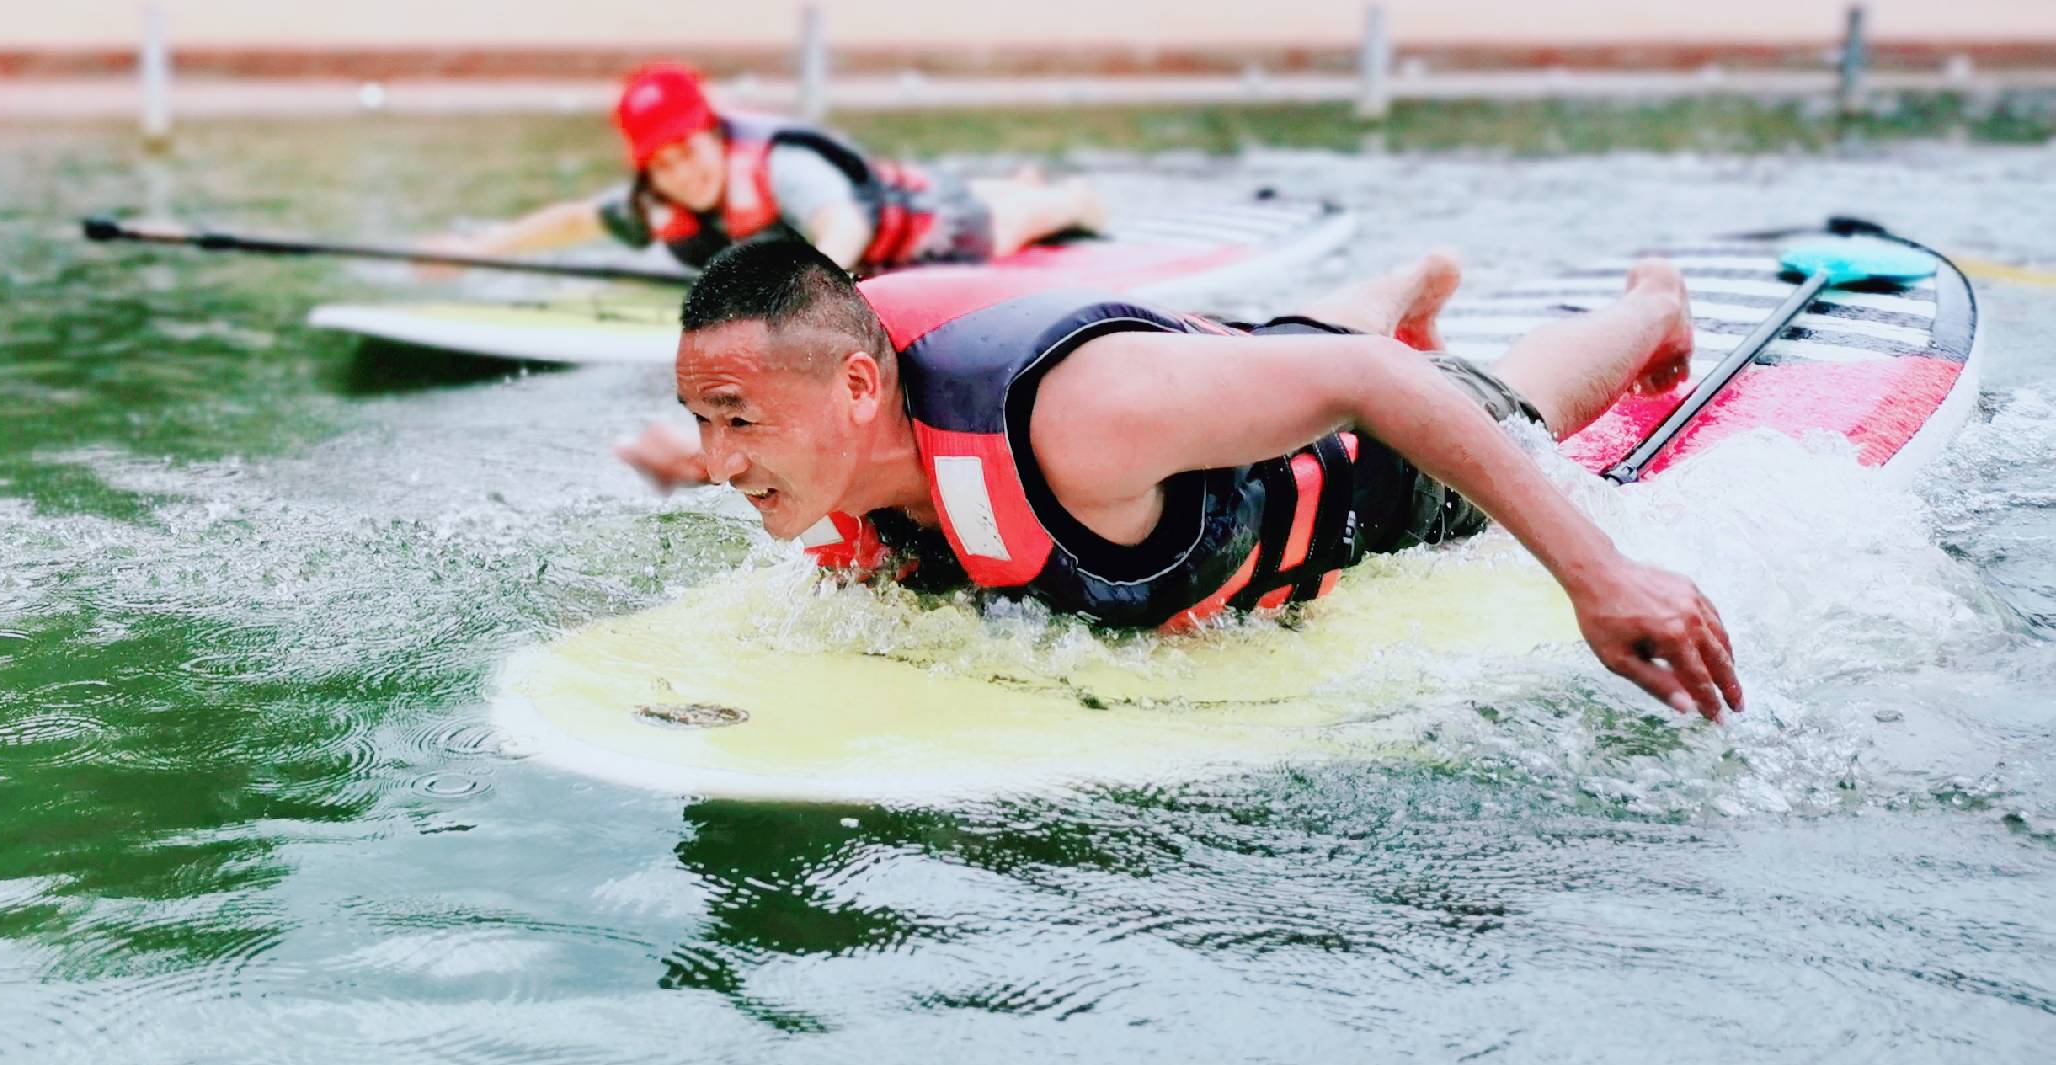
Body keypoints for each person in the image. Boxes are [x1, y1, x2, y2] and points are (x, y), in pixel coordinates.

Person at [646, 232, 1743, 719]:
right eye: (702, 423)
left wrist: (1601, 577)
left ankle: (1654, 304)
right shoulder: (840, 454)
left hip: (1361, 472)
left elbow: (1368, 383)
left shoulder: (1080, 426)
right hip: (1217, 371)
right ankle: (1408, 274)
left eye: (736, 422)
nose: (719, 461)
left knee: (1509, 399)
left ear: (852, 389)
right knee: (1273, 347)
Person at [448, 62, 1107, 276]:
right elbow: (574, 221)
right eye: (662, 163)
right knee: (957, 187)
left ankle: (1064, 196)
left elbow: (841, 223)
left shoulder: (781, 167)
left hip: (931, 231)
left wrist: (812, 295)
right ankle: (1017, 182)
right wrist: (482, 248)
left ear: (714, 132)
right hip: (887, 194)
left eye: (689, 151)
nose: (681, 174)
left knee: (1018, 218)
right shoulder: (662, 195)